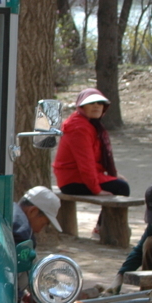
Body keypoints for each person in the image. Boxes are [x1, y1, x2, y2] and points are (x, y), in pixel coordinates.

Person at [53, 89, 129, 235]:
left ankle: (101, 228)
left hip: (75, 177)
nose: (96, 106)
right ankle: (103, 230)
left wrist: (113, 174)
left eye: (100, 103)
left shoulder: (88, 124)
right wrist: (97, 190)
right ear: (81, 106)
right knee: (121, 188)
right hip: (72, 180)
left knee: (119, 184)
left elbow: (94, 160)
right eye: (91, 103)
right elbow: (85, 163)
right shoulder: (79, 127)